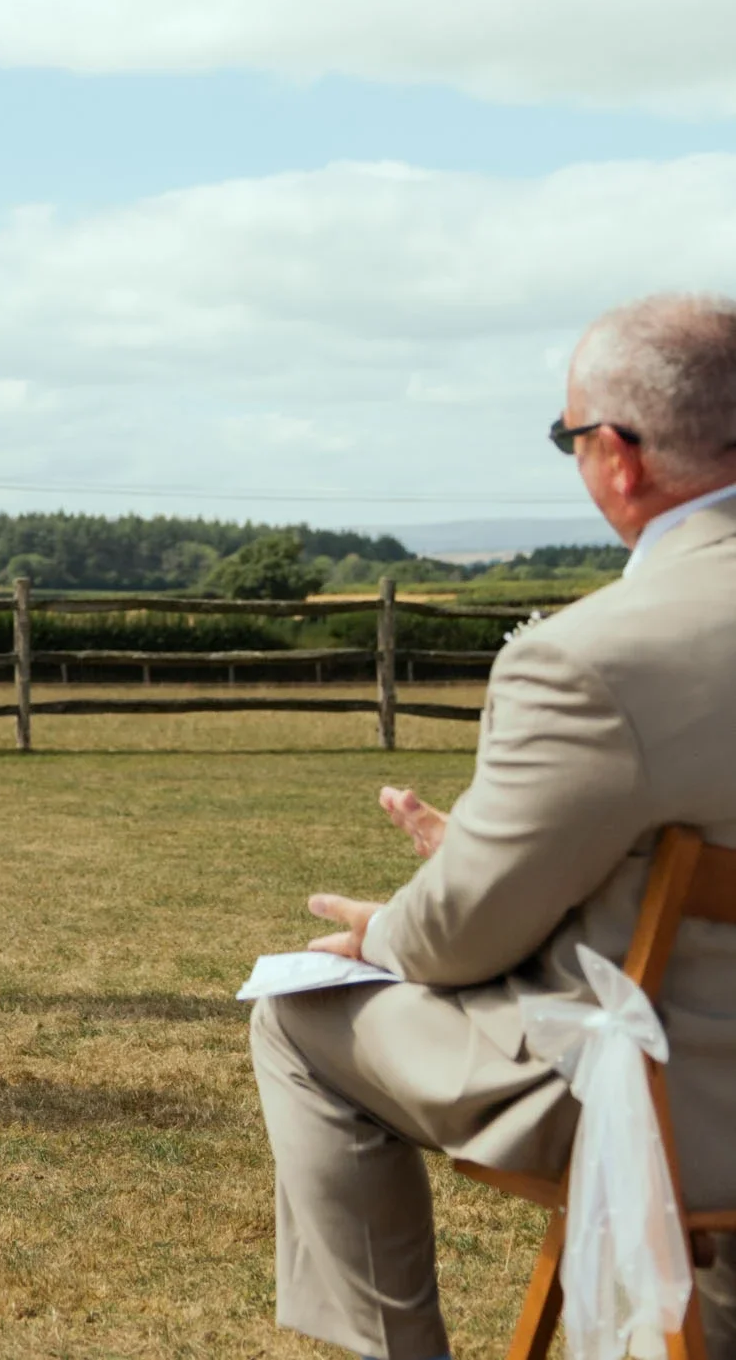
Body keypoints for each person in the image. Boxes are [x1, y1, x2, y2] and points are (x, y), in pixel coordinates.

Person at [251, 292, 736, 1360]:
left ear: (616, 456)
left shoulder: (589, 655)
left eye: (566, 439)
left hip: (675, 1122)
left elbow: (462, 936)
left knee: (295, 1014)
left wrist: (387, 928)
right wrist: (482, 845)